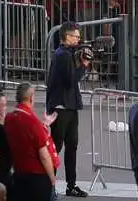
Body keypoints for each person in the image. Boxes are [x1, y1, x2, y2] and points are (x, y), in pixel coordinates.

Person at [46, 22, 90, 198]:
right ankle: (49, 185)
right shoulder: (62, 54)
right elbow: (70, 81)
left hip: (70, 106)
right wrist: (84, 64)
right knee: (56, 147)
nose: (78, 39)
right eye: (76, 36)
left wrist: (81, 61)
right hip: (61, 107)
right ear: (66, 37)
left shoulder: (68, 53)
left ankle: (71, 185)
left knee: (72, 146)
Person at [4, 82, 59, 201]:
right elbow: (44, 156)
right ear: (31, 97)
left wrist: (43, 125)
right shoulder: (32, 122)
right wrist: (52, 180)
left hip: (19, 172)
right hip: (38, 177)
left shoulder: (9, 118)